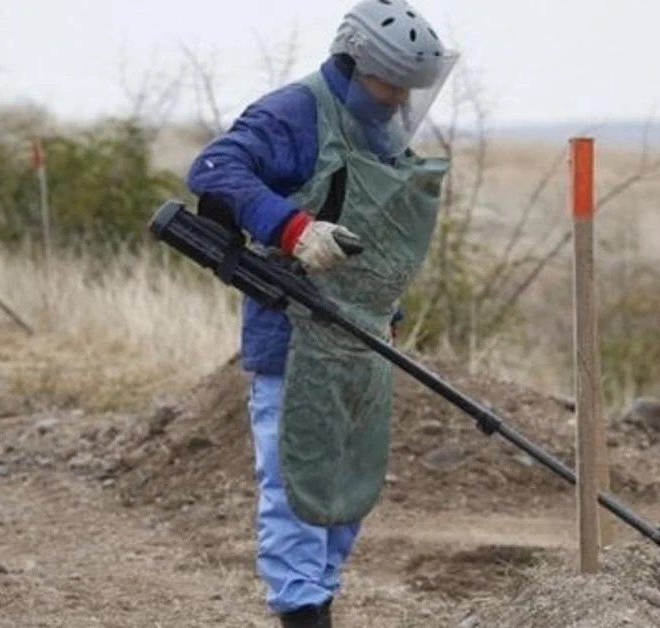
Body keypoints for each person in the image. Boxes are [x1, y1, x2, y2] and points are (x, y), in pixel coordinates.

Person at [185, 1, 458, 626]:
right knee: (295, 493)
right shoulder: (293, 112)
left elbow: (374, 231)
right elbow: (214, 169)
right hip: (292, 336)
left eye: (407, 90)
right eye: (389, 85)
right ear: (355, 64)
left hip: (360, 339)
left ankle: (319, 603)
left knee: (346, 491)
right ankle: (303, 614)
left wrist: (386, 304)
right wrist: (292, 227)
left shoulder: (380, 130)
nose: (398, 100)